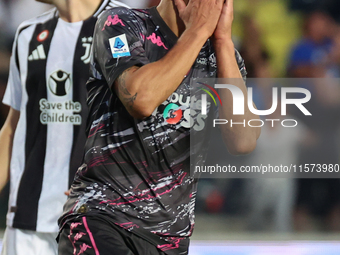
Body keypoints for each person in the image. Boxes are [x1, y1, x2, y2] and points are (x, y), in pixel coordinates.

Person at [58, 0, 260, 254]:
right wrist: (196, 31)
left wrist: (223, 42)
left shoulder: (223, 56)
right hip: (104, 218)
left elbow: (243, 141)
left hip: (169, 239)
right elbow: (140, 99)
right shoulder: (122, 23)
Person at [0, 0, 129, 254]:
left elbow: (141, 123)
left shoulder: (122, 24)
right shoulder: (28, 34)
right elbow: (13, 129)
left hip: (94, 221)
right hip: (27, 221)